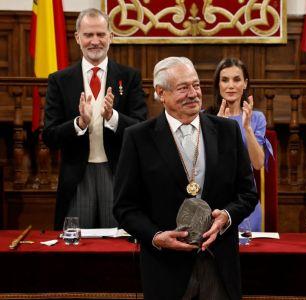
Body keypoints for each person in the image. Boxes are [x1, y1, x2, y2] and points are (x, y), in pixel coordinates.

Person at [113, 57, 258, 300]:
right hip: (165, 269)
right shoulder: (138, 138)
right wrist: (156, 237)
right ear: (161, 93)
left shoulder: (228, 131)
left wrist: (227, 216)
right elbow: (124, 207)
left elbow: (248, 194)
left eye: (196, 85)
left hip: (218, 265)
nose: (193, 94)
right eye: (183, 88)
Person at [43, 8, 147, 229]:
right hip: (77, 177)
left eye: (101, 34)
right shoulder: (59, 80)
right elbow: (49, 135)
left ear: (111, 36)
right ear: (77, 38)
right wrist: (79, 123)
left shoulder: (129, 78)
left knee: (119, 250)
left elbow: (141, 128)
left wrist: (113, 117)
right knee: (77, 251)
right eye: (89, 35)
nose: (95, 41)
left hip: (117, 174)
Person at [208, 57, 272, 232]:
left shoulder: (256, 118)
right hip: (213, 201)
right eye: (225, 80)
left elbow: (258, 163)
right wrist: (219, 129)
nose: (230, 85)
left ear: (245, 83)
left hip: (245, 200)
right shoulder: (205, 117)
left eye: (236, 79)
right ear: (218, 85)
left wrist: (247, 127)